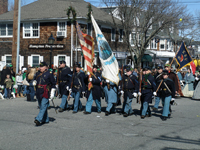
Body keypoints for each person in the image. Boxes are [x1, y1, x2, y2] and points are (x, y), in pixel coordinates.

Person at [34, 62, 56, 126]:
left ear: (46, 67)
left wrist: (52, 92)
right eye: (40, 66)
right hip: (38, 91)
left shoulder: (49, 73)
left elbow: (53, 83)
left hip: (45, 91)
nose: (40, 68)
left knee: (43, 106)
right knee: (41, 106)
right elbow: (33, 79)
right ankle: (46, 119)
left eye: (42, 67)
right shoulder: (38, 73)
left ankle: (38, 119)